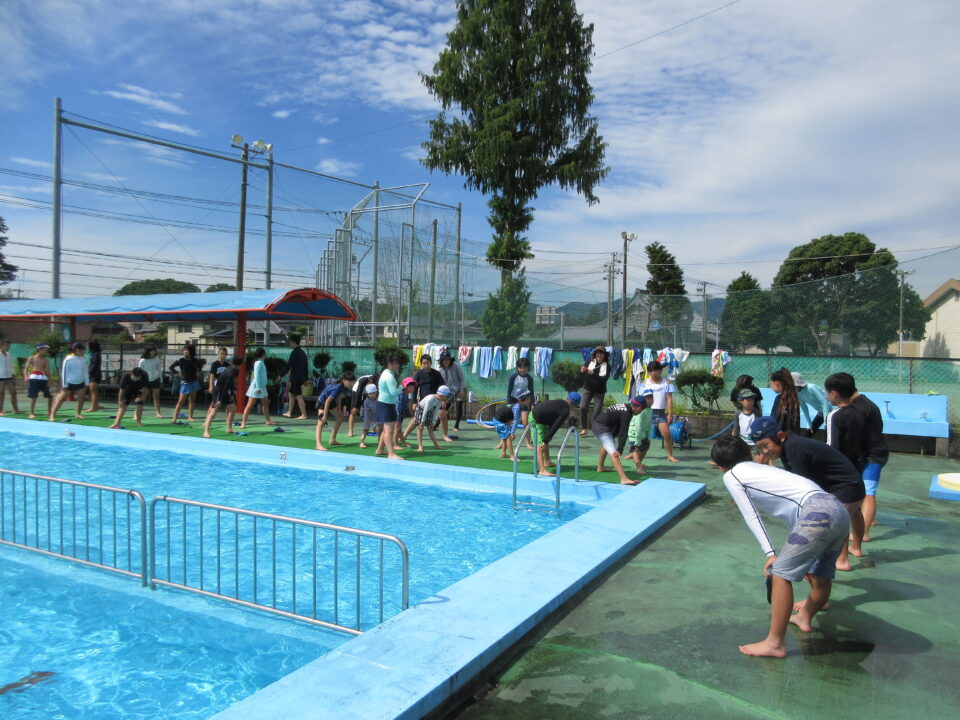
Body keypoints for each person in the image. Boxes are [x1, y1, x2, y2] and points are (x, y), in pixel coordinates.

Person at [710, 435, 850, 658]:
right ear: (748, 454)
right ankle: (805, 617)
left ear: (720, 466)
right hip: (837, 508)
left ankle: (775, 643)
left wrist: (771, 553)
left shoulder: (732, 475)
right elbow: (793, 507)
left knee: (780, 574)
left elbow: (751, 515)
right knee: (820, 574)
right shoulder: (764, 470)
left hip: (816, 513)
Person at [750, 416, 865, 572]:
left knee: (835, 524)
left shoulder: (795, 448)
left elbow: (803, 487)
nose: (764, 451)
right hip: (851, 485)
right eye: (759, 448)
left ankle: (842, 560)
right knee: (852, 513)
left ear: (780, 436)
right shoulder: (789, 446)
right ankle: (856, 547)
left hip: (846, 488)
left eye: (765, 445)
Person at [824, 372, 871, 565]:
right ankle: (856, 547)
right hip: (857, 468)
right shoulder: (859, 413)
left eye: (827, 392)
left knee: (841, 515)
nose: (827, 396)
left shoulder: (834, 416)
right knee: (855, 509)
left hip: (839, 473)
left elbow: (831, 448)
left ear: (834, 393)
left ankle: (842, 559)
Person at [844, 379, 888, 542]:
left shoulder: (859, 408)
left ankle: (863, 533)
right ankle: (868, 519)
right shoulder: (867, 404)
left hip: (872, 456)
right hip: (871, 453)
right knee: (865, 491)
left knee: (869, 492)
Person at [593, 395, 651, 485]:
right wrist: (620, 449)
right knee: (614, 453)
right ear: (639, 408)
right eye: (642, 410)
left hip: (600, 424)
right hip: (601, 427)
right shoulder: (627, 413)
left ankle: (600, 467)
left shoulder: (626, 407)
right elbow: (623, 432)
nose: (641, 412)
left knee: (608, 444)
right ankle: (624, 479)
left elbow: (616, 422)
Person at [530, 392, 581, 477]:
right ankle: (542, 470)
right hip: (535, 419)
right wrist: (546, 440)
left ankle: (547, 461)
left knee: (546, 441)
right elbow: (556, 426)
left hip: (542, 418)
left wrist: (547, 438)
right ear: (574, 404)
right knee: (540, 445)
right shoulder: (565, 411)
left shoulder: (560, 402)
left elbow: (552, 418)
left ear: (567, 398)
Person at [642, 360, 680, 463]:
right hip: (647, 412)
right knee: (641, 435)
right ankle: (634, 454)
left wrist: (670, 414)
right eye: (651, 371)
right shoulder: (645, 383)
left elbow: (669, 399)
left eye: (656, 370)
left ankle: (670, 456)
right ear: (648, 372)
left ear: (660, 370)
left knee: (667, 434)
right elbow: (640, 398)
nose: (654, 373)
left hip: (660, 413)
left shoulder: (666, 382)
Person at [202, 355, 243, 438]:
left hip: (225, 392)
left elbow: (231, 385)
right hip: (218, 393)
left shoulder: (233, 370)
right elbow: (225, 388)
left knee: (233, 409)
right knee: (213, 412)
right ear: (239, 365)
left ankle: (229, 428)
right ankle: (206, 431)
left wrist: (232, 395)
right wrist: (220, 400)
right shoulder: (230, 373)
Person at [374, 353, 404, 460]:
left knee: (386, 430)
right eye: (396, 363)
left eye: (398, 363)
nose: (398, 365)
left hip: (386, 404)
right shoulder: (389, 376)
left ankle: (380, 450)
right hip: (386, 405)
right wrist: (402, 386)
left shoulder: (387, 373)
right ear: (390, 364)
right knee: (389, 431)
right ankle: (391, 454)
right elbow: (393, 392)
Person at [50, 342, 89, 422]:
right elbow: (64, 372)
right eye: (82, 350)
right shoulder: (68, 359)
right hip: (69, 383)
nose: (83, 352)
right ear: (77, 350)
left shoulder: (83, 359)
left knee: (81, 398)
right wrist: (65, 384)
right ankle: (52, 414)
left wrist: (87, 383)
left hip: (80, 382)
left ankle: (78, 413)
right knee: (61, 399)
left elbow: (85, 371)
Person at [315, 374, 354, 451]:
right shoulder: (338, 387)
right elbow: (327, 402)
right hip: (323, 402)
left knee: (340, 417)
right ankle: (318, 445)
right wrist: (325, 416)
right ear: (344, 380)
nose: (351, 384)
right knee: (321, 422)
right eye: (350, 382)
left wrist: (339, 410)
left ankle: (332, 440)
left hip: (330, 401)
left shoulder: (343, 386)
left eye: (352, 382)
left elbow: (338, 397)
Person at [579, 346, 610, 435]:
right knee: (583, 407)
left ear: (605, 355)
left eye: (601, 353)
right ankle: (584, 428)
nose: (599, 355)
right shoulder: (589, 361)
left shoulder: (607, 366)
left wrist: (593, 373)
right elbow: (584, 373)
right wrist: (582, 371)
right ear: (595, 354)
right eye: (597, 353)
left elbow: (604, 379)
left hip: (600, 391)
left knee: (597, 411)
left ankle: (595, 428)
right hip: (588, 388)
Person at [493, 389, 533, 459]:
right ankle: (512, 456)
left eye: (529, 399)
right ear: (521, 400)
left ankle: (503, 453)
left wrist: (511, 430)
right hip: (499, 421)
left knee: (505, 437)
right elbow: (515, 420)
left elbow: (511, 420)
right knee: (508, 437)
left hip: (502, 420)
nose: (529, 401)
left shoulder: (518, 405)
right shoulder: (517, 407)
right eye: (527, 399)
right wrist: (512, 433)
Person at [240, 348, 275, 429]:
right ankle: (243, 423)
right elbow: (257, 376)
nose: (265, 355)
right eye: (265, 353)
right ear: (262, 354)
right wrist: (258, 388)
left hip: (262, 387)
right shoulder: (259, 363)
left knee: (265, 404)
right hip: (256, 387)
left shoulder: (261, 362)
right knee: (250, 405)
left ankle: (268, 420)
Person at [170, 344, 205, 423]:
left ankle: (190, 417)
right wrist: (178, 373)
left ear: (191, 351)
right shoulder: (181, 360)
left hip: (194, 382)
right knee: (181, 401)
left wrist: (198, 371)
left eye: (187, 350)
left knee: (192, 400)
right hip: (185, 382)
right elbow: (171, 367)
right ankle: (174, 418)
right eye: (184, 350)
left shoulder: (195, 360)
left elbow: (199, 368)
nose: (185, 351)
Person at [505, 357, 535, 450]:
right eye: (520, 367)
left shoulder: (529, 378)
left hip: (524, 401)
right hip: (513, 401)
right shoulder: (513, 377)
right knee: (508, 422)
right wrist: (509, 403)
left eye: (525, 367)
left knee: (525, 422)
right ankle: (503, 443)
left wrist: (532, 403)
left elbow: (531, 392)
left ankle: (528, 443)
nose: (522, 370)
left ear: (528, 368)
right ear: (517, 368)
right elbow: (509, 391)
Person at [413, 385, 453, 452]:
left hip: (429, 410)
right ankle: (420, 446)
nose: (447, 397)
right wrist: (422, 422)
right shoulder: (430, 399)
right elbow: (425, 410)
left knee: (430, 428)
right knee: (420, 428)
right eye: (446, 396)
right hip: (421, 409)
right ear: (441, 395)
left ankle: (436, 445)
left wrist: (433, 422)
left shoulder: (439, 400)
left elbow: (436, 411)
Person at [625, 388, 655, 473]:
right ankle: (639, 467)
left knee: (646, 446)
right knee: (635, 449)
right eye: (647, 398)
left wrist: (648, 436)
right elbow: (638, 427)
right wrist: (637, 442)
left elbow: (649, 423)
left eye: (651, 397)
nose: (650, 400)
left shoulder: (650, 410)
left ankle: (639, 462)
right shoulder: (640, 411)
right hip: (634, 434)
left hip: (643, 433)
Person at [438, 351, 467, 438]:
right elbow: (440, 383)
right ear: (441, 361)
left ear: (450, 360)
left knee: (458, 405)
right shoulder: (440, 370)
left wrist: (461, 390)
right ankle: (436, 424)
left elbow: (462, 378)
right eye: (444, 360)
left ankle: (456, 425)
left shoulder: (456, 366)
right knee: (444, 407)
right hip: (448, 391)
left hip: (459, 388)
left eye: (448, 359)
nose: (446, 361)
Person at [281, 334, 309, 420]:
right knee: (291, 394)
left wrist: (280, 375)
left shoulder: (294, 352)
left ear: (293, 342)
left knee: (298, 396)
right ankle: (289, 412)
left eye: (290, 342)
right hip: (299, 378)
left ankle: (304, 414)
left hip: (296, 378)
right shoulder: (302, 353)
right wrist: (305, 379)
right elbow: (306, 367)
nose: (290, 344)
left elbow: (289, 365)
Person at [23, 343, 52, 419]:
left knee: (50, 395)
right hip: (34, 377)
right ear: (39, 349)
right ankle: (31, 413)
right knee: (34, 396)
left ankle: (49, 411)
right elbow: (26, 368)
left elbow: (48, 370)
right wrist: (26, 376)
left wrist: (49, 380)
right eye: (45, 349)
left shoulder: (45, 359)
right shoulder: (32, 358)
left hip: (43, 378)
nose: (46, 351)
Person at [769, 368, 801, 435]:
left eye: (771, 384)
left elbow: (774, 421)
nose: (771, 386)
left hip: (781, 438)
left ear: (776, 383)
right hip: (793, 437)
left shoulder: (780, 399)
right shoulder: (793, 398)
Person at [347, 371, 378, 437]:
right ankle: (350, 431)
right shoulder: (363, 380)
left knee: (373, 409)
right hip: (356, 392)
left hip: (368, 393)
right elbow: (359, 392)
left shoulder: (376, 381)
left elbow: (376, 392)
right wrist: (356, 406)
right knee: (354, 411)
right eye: (371, 383)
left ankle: (374, 429)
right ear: (370, 380)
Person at [138, 346, 164, 418]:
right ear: (147, 352)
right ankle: (136, 414)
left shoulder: (157, 359)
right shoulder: (142, 360)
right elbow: (139, 371)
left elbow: (159, 370)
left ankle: (158, 413)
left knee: (156, 397)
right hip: (146, 380)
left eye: (154, 350)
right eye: (151, 351)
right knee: (143, 397)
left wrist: (161, 380)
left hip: (156, 379)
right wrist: (140, 382)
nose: (153, 352)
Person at [0, 339, 21, 415]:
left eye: (9, 346)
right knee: (1, 394)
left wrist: (14, 375)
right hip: (1, 377)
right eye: (6, 346)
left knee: (13, 393)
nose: (8, 347)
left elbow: (11, 366)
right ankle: (0, 411)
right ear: (1, 345)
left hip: (9, 377)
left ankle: (15, 409)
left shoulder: (9, 355)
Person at [358, 383, 380, 449]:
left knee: (381, 429)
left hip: (378, 416)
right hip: (369, 416)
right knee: (366, 429)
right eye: (370, 394)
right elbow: (366, 413)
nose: (372, 395)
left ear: (376, 392)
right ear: (367, 394)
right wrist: (367, 422)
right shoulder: (366, 402)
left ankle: (380, 442)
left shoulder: (379, 399)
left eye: (374, 393)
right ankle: (361, 442)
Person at [87, 339, 103, 412]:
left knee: (93, 391)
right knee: (94, 391)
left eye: (88, 345)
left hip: (94, 374)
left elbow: (94, 365)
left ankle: (94, 407)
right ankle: (96, 405)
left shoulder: (96, 354)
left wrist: (89, 372)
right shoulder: (94, 354)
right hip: (94, 374)